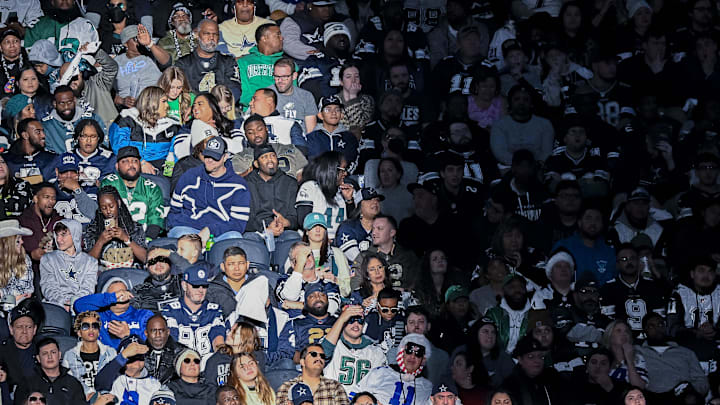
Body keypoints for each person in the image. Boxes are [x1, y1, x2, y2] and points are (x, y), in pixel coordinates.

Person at [168, 136, 250, 241]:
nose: (209, 160)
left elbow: (238, 224)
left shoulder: (238, 185)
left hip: (221, 233)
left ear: (225, 157)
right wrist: (193, 231)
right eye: (207, 156)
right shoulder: (189, 176)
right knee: (180, 234)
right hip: (189, 228)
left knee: (234, 237)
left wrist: (210, 230)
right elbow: (174, 210)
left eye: (215, 157)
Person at [636, 312, 708, 401]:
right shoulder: (637, 351)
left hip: (682, 396)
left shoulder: (685, 352)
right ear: (645, 330)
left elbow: (701, 380)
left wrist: (693, 390)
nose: (657, 329)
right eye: (651, 326)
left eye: (660, 324)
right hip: (651, 397)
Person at [108, 85, 179, 173]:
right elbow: (119, 146)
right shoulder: (127, 119)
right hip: (131, 165)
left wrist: (168, 174)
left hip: (160, 169)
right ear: (152, 102)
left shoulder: (172, 125)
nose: (167, 106)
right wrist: (141, 162)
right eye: (164, 101)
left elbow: (173, 153)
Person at [599, 244, 668, 334]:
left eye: (632, 258)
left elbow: (660, 318)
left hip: (650, 340)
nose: (629, 262)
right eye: (624, 259)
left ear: (639, 262)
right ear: (617, 264)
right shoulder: (608, 289)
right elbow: (608, 322)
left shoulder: (652, 286)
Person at [161, 264, 227, 357]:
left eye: (204, 286)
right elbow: (172, 341)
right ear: (184, 285)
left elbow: (217, 337)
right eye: (196, 286)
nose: (201, 290)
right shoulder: (171, 310)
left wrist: (221, 355)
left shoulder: (214, 310)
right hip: (180, 364)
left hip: (208, 365)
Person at [100, 146, 165, 239]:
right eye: (125, 161)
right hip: (115, 238)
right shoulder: (109, 183)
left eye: (135, 161)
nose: (131, 165)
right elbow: (106, 216)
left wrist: (146, 241)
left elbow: (155, 220)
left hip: (144, 238)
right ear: (117, 166)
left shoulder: (152, 188)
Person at [321, 305, 386, 396]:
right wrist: (342, 318)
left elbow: (379, 384)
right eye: (350, 320)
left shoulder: (375, 351)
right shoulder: (334, 344)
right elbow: (322, 354)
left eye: (359, 320)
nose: (355, 325)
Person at [73, 280, 154, 349]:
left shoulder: (144, 315)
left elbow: (155, 339)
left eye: (124, 292)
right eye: (117, 293)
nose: (122, 296)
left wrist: (129, 334)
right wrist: (112, 297)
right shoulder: (98, 316)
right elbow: (78, 306)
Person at [356, 334, 434, 405]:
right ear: (402, 353)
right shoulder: (381, 372)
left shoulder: (428, 387)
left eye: (418, 353)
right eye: (409, 351)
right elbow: (355, 395)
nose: (412, 356)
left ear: (423, 359)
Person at [489, 85, 554, 168]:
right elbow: (500, 153)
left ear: (531, 104)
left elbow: (546, 152)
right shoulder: (499, 126)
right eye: (517, 99)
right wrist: (522, 166)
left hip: (538, 168)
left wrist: (534, 165)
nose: (521, 103)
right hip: (509, 168)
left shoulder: (545, 124)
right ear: (510, 103)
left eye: (526, 99)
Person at [243, 143, 300, 238]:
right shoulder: (246, 183)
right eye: (264, 157)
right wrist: (266, 229)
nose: (270, 160)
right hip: (255, 231)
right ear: (256, 164)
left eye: (272, 156)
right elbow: (242, 218)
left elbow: (296, 217)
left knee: (293, 237)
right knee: (249, 238)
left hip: (283, 231)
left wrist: (287, 222)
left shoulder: (290, 183)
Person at [553, 203, 617, 286]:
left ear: (602, 224)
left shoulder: (609, 251)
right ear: (579, 222)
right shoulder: (564, 247)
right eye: (588, 218)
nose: (593, 223)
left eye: (597, 219)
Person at [84, 186, 148, 268]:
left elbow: (145, 258)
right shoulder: (92, 229)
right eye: (103, 208)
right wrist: (100, 242)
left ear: (118, 203)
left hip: (130, 273)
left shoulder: (135, 227)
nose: (108, 211)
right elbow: (87, 264)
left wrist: (126, 239)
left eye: (111, 206)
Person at [296, 151, 354, 240]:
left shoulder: (343, 192)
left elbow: (352, 224)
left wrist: (349, 200)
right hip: (313, 242)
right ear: (331, 170)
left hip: (340, 242)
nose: (345, 174)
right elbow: (303, 221)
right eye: (343, 170)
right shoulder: (310, 187)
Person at [39, 219, 97, 310]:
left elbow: (88, 288)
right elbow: (48, 286)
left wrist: (75, 303)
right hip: (55, 306)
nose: (58, 239)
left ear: (75, 235)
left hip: (81, 306)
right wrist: (62, 303)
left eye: (63, 234)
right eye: (57, 235)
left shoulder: (90, 262)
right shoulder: (48, 259)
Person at [176, 19, 242, 97]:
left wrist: (219, 105)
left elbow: (235, 90)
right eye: (207, 33)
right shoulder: (183, 64)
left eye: (215, 34)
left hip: (221, 107)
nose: (211, 37)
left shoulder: (228, 62)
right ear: (197, 35)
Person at [171, 92, 244, 161]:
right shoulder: (186, 129)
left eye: (200, 104)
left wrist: (211, 134)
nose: (195, 108)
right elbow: (180, 153)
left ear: (212, 106)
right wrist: (200, 129)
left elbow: (240, 148)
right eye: (194, 106)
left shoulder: (231, 125)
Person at [229, 114, 308, 178]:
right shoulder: (241, 157)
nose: (256, 135)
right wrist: (252, 169)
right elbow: (237, 182)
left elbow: (304, 176)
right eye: (250, 132)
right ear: (246, 135)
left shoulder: (289, 149)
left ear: (266, 129)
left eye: (260, 129)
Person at [62, 311, 117, 400]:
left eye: (94, 326)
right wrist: (88, 394)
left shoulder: (110, 353)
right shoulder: (70, 355)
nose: (91, 330)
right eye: (85, 326)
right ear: (79, 332)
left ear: (99, 331)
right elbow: (67, 383)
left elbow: (116, 380)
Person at [13, 337, 86, 405]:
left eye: (53, 352)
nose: (50, 356)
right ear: (38, 358)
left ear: (59, 355)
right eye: (45, 353)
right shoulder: (27, 383)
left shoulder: (73, 384)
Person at [41, 85, 106, 155]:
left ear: (74, 100)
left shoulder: (92, 118)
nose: (66, 107)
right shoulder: (46, 125)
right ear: (54, 104)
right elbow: (48, 154)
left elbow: (103, 146)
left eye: (69, 102)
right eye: (62, 103)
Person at [275, 343, 350, 405]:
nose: (319, 358)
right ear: (302, 362)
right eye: (314, 354)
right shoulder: (287, 387)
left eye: (322, 356)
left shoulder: (334, 387)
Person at [500, 335, 564, 405]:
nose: (537, 360)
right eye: (531, 357)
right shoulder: (510, 386)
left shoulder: (553, 378)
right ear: (520, 359)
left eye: (540, 356)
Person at [112, 25, 163, 110]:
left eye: (141, 37)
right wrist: (122, 101)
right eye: (136, 39)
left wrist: (150, 44)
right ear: (125, 43)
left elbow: (167, 62)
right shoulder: (117, 62)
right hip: (129, 109)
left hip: (154, 104)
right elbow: (106, 93)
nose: (140, 41)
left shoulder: (151, 54)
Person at [236, 24, 285, 108]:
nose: (282, 38)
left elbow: (292, 93)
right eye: (278, 35)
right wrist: (259, 104)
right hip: (251, 109)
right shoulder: (244, 61)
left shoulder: (286, 64)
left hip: (279, 109)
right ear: (264, 38)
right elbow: (244, 93)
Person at [0, 299, 43, 391]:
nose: (24, 331)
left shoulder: (43, 350)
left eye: (28, 327)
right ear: (11, 329)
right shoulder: (2, 352)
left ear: (34, 329)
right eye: (19, 327)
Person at [109, 335, 163, 405]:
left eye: (140, 355)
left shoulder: (155, 386)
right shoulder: (111, 380)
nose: (136, 361)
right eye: (131, 355)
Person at [485, 274, 532, 353]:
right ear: (504, 290)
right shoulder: (493, 314)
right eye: (512, 287)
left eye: (521, 286)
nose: (517, 290)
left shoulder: (534, 314)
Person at [306, 95, 358, 166]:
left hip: (344, 176)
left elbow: (354, 160)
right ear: (320, 115)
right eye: (328, 109)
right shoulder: (310, 138)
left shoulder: (349, 138)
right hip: (316, 176)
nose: (333, 113)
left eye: (337, 109)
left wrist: (342, 173)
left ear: (341, 115)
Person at [72, 119, 117, 201]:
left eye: (93, 136)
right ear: (78, 137)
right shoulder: (67, 157)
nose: (88, 141)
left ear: (98, 138)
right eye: (84, 136)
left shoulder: (110, 159)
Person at [334, 187, 382, 262]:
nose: (375, 202)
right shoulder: (348, 227)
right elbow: (355, 258)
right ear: (358, 205)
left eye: (377, 200)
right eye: (369, 200)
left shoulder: (385, 226)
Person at [5, 118, 58, 184]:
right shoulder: (7, 161)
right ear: (25, 135)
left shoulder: (52, 159)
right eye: (38, 132)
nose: (43, 135)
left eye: (43, 131)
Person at [272, 57, 318, 133]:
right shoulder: (266, 94)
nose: (280, 80)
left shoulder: (306, 96)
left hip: (300, 142)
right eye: (276, 76)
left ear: (294, 76)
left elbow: (311, 131)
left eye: (284, 77)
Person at [603, 320, 648, 389]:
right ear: (609, 336)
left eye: (627, 331)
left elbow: (639, 387)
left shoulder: (638, 358)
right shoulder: (602, 357)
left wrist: (630, 361)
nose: (624, 334)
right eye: (618, 331)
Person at [0, 220, 34, 302]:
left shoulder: (24, 259)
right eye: (18, 240)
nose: (22, 242)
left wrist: (4, 295)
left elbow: (26, 291)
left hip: (19, 306)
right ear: (8, 243)